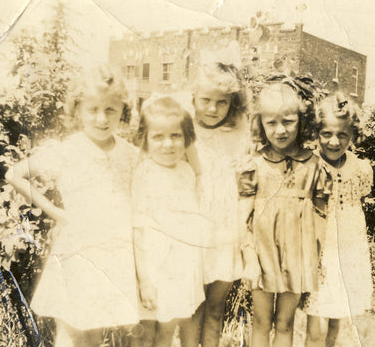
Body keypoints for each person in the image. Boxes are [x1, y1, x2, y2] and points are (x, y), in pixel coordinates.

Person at [5, 65, 139, 347]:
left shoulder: (130, 154)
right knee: (71, 335)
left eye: (111, 110)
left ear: (122, 111)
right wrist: (57, 214)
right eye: (92, 109)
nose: (101, 118)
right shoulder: (68, 150)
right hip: (78, 253)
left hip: (113, 255)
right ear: (78, 110)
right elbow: (14, 174)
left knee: (93, 333)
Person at [237, 76, 330, 347]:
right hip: (262, 253)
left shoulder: (314, 166)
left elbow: (322, 216)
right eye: (271, 123)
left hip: (298, 255)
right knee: (262, 321)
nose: (280, 130)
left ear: (301, 121)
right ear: (260, 124)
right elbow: (242, 220)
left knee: (285, 323)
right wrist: (249, 258)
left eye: (288, 121)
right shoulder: (253, 165)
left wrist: (318, 257)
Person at [132, 96, 218, 347]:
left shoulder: (187, 171)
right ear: (146, 140)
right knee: (147, 333)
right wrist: (144, 281)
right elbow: (138, 232)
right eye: (158, 136)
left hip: (181, 266)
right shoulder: (144, 173)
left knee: (169, 330)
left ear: (187, 138)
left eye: (176, 136)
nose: (168, 144)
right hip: (155, 265)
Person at [179, 59, 249, 347]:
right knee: (192, 305)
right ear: (193, 97)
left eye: (221, 103)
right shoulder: (184, 131)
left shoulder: (239, 134)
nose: (211, 108)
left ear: (232, 104)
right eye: (205, 100)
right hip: (192, 229)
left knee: (216, 307)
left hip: (225, 228)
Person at [305, 92, 373, 347]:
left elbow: (358, 202)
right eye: (327, 134)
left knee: (336, 317)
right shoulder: (308, 166)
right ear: (317, 133)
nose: (334, 142)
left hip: (350, 251)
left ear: (352, 136)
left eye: (342, 135)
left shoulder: (360, 168)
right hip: (321, 252)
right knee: (317, 322)